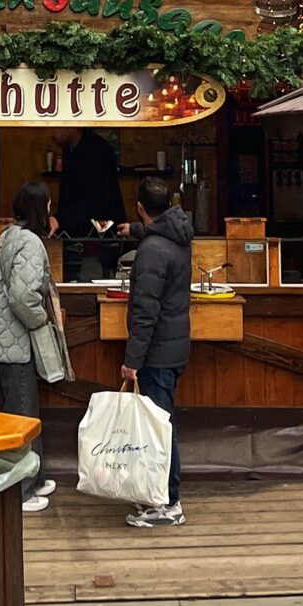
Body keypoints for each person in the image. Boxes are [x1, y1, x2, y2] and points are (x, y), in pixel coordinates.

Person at [0, 179, 62, 513]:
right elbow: (23, 297)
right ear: (41, 209)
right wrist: (40, 320)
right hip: (13, 342)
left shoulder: (7, 235)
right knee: (21, 415)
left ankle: (34, 476)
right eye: (49, 205)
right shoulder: (30, 243)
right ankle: (20, 491)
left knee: (22, 409)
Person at [120, 172, 192, 528]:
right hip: (173, 346)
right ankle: (163, 496)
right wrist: (133, 230)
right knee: (162, 424)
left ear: (139, 208)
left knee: (159, 428)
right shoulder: (176, 236)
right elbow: (155, 233)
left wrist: (132, 361)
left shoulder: (151, 252)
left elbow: (145, 311)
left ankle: (167, 501)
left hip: (156, 352)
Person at [57, 127, 125, 279]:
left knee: (95, 282)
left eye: (57, 125)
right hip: (76, 236)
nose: (51, 131)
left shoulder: (97, 150)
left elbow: (96, 199)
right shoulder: (70, 149)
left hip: (100, 236)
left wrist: (60, 219)